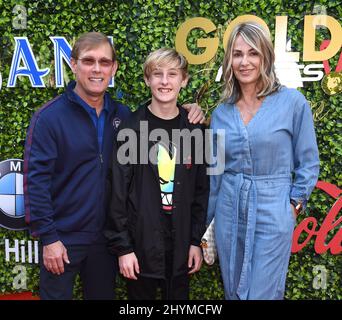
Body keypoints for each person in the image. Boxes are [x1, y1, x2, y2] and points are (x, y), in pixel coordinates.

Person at [23, 32, 204, 300]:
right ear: (73, 64)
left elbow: (195, 184)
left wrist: (192, 112)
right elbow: (36, 182)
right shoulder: (50, 118)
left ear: (114, 68)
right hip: (63, 238)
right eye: (89, 61)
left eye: (105, 62)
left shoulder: (122, 116)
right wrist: (49, 238)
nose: (97, 69)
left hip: (104, 244)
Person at [207, 22, 319, 300]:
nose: (244, 62)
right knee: (233, 290)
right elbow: (215, 176)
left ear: (266, 57)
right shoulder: (221, 113)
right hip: (229, 210)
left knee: (262, 293)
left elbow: (308, 162)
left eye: (253, 53)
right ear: (229, 60)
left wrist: (293, 206)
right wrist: (206, 225)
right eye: (237, 54)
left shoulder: (293, 103)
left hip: (274, 210)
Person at [104, 48, 209, 300]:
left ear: (183, 80)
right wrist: (123, 249)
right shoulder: (131, 129)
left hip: (182, 245)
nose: (164, 81)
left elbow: (201, 191)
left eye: (172, 74)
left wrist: (195, 241)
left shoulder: (197, 130)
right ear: (147, 80)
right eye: (157, 74)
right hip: (141, 248)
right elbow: (116, 194)